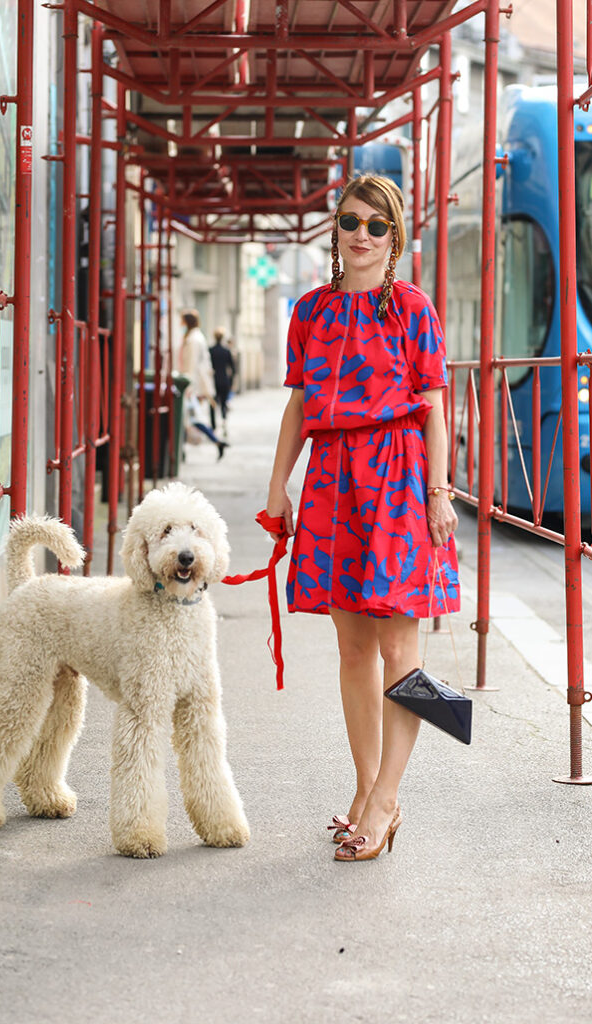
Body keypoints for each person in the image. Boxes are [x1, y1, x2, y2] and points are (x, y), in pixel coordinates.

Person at [266, 174, 460, 862]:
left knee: (400, 652)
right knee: (351, 649)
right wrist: (278, 489)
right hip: (331, 481)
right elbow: (296, 406)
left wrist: (438, 493)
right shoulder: (310, 311)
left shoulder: (411, 309)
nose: (362, 235)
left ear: (395, 237)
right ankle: (363, 787)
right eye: (352, 220)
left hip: (397, 480)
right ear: (336, 229)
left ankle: (385, 800)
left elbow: (435, 408)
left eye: (378, 225)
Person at [178, 309, 228, 459]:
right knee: (192, 418)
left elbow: (191, 365)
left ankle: (213, 442)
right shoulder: (195, 337)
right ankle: (216, 442)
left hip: (191, 385)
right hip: (193, 385)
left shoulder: (194, 339)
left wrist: (188, 387)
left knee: (190, 418)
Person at [209, 327, 236, 434]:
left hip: (213, 380)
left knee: (212, 403)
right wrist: (231, 381)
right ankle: (224, 421)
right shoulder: (226, 351)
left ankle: (213, 425)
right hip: (224, 380)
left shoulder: (211, 350)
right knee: (224, 403)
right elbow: (233, 368)